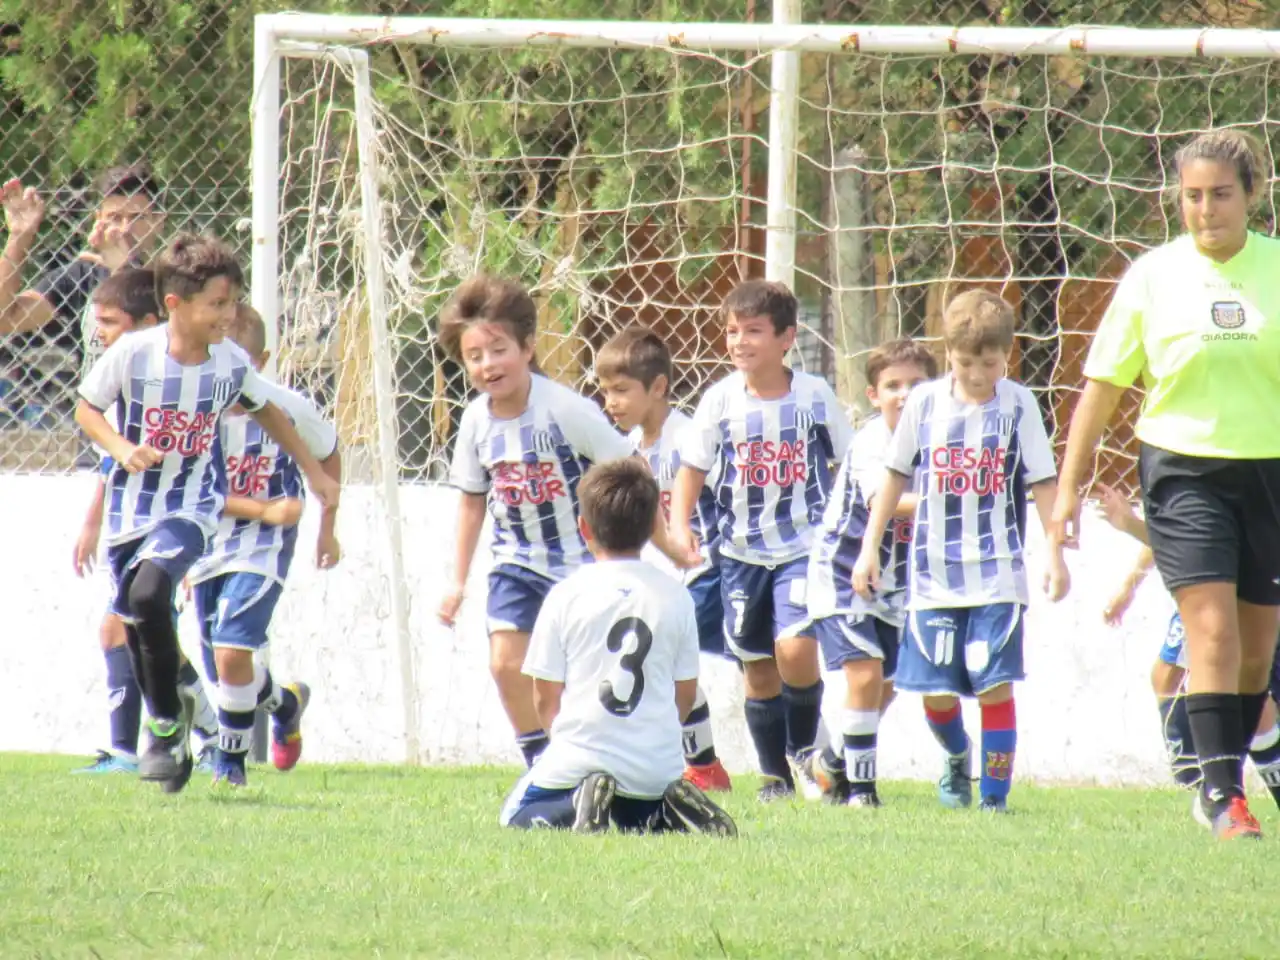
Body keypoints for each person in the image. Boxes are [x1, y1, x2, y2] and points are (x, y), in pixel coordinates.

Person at [1050, 128, 1280, 840]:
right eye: (1192, 196)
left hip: (1268, 473)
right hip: (1183, 471)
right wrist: (1066, 491)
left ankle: (1228, 774)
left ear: (1252, 196)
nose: (1205, 209)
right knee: (1208, 628)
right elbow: (1102, 390)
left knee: (1254, 648)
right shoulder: (1152, 277)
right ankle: (1221, 796)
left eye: (1220, 195)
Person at [75, 234, 339, 794]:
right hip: (132, 512)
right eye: (218, 304)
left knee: (148, 597)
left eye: (232, 302)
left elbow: (268, 411)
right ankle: (186, 700)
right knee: (142, 616)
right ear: (175, 304)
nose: (228, 313)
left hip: (192, 508)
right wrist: (123, 449)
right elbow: (87, 408)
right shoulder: (133, 355)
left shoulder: (229, 362)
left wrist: (313, 474)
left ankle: (165, 724)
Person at [437, 275, 692, 769]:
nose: (488, 365)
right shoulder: (473, 423)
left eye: (498, 349)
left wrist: (668, 545)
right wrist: (456, 581)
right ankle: (541, 762)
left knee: (582, 673)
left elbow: (630, 473)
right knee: (505, 663)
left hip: (580, 564)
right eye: (474, 356)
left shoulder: (566, 411)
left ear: (527, 347)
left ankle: (601, 757)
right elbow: (471, 501)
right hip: (516, 561)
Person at [853, 289, 1069, 813]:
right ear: (949, 354)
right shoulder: (925, 403)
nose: (977, 373)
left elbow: (1042, 480)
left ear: (1007, 354)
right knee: (936, 694)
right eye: (966, 361)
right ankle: (957, 755)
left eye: (989, 362)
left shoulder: (1019, 404)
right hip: (932, 576)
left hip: (997, 574)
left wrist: (1055, 552)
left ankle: (994, 801)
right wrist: (870, 546)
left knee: (995, 687)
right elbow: (894, 474)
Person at [670, 280, 853, 802]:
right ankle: (774, 777)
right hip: (740, 553)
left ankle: (802, 753)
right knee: (757, 664)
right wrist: (681, 525)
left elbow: (849, 461)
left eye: (753, 331)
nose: (739, 342)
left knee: (795, 649)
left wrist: (847, 525)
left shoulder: (814, 396)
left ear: (786, 338)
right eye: (731, 331)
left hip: (804, 547)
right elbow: (692, 469)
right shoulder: (719, 401)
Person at [500, 458, 736, 836]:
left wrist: (565, 740)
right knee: (636, 814)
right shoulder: (676, 597)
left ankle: (582, 801)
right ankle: (664, 812)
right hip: (657, 765)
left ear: (583, 528)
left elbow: (545, 698)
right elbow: (686, 694)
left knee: (514, 816)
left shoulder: (565, 595)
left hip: (580, 755)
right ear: (650, 529)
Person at [69, 268, 219, 775]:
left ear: (152, 322)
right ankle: (207, 731)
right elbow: (117, 456)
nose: (99, 333)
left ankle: (142, 747)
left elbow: (199, 464)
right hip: (129, 522)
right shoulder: (134, 375)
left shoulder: (194, 376)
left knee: (129, 623)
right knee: (142, 635)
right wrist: (94, 521)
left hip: (180, 521)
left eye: (110, 321)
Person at [188, 304, 342, 787]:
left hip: (264, 549)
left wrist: (327, 527)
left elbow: (329, 452)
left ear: (261, 361)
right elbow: (197, 493)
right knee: (225, 665)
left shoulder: (288, 407)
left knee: (233, 652)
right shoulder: (195, 408)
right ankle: (285, 703)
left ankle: (229, 764)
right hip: (210, 547)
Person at [595, 325, 732, 793]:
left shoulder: (689, 438)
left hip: (708, 573)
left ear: (658, 387)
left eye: (621, 390)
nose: (611, 401)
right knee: (668, 662)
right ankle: (702, 766)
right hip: (667, 580)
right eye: (605, 391)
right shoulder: (629, 451)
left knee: (680, 661)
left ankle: (707, 764)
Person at [805, 338, 937, 807]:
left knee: (889, 684)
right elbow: (883, 502)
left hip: (900, 583)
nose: (904, 394)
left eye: (916, 385)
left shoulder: (942, 441)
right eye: (892, 385)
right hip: (846, 573)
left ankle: (833, 762)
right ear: (873, 396)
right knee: (864, 678)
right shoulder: (871, 441)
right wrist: (949, 500)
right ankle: (862, 792)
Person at [1096, 484, 1280, 811]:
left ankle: (1213, 788)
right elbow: (1177, 533)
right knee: (1169, 675)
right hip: (1220, 590)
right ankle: (1200, 783)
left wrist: (1129, 524)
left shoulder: (1241, 468)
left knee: (1250, 690)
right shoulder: (1188, 468)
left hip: (1241, 589)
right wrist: (1129, 585)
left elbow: (1185, 543)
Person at [1, 165, 166, 423]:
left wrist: (121, 269)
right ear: (98, 218)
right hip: (96, 438)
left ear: (158, 221)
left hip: (157, 428)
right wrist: (19, 237)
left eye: (137, 217)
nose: (124, 228)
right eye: (114, 217)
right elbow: (5, 317)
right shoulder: (83, 274)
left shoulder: (174, 277)